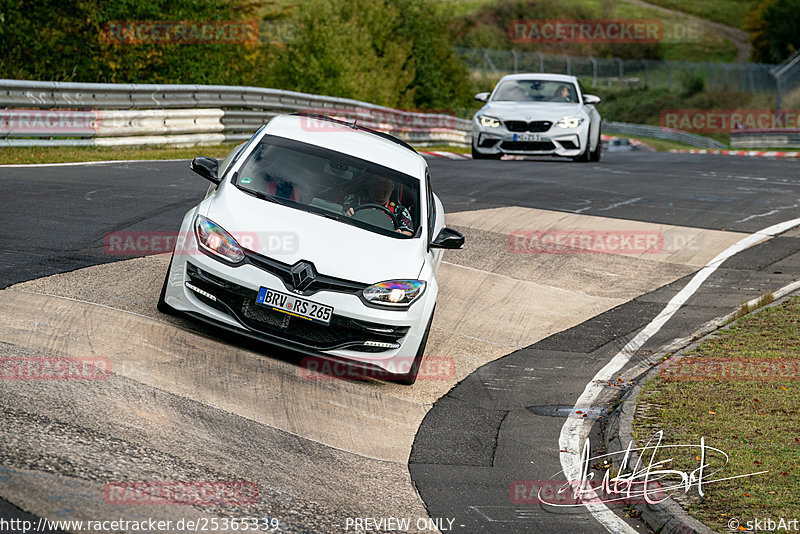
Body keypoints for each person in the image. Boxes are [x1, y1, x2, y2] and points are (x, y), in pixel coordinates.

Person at [343, 175, 413, 235]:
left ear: (392, 187)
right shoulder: (353, 200)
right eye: (377, 182)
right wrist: (346, 216)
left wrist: (400, 233)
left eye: (386, 183)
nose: (381, 187)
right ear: (369, 183)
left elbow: (408, 232)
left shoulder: (400, 211)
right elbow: (338, 214)